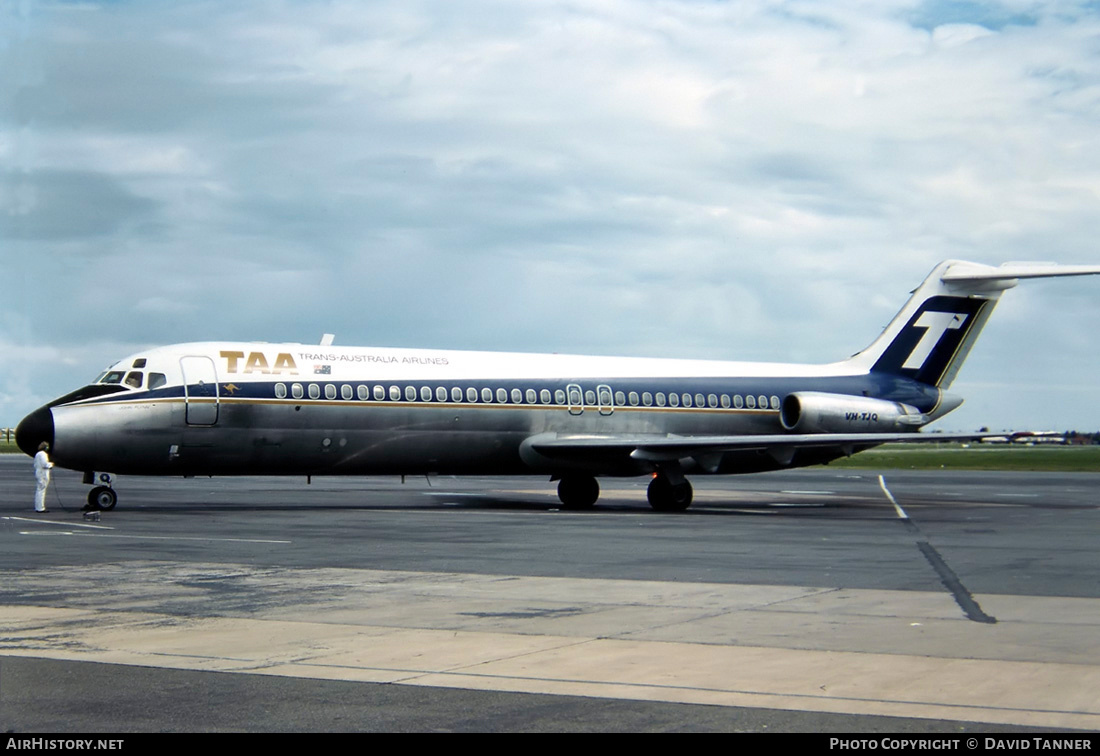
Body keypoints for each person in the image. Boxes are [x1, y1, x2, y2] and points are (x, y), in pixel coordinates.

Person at [34, 442, 53, 513]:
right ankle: (40, 507)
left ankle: (38, 506)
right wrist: (51, 464)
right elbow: (45, 464)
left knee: (39, 490)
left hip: (38, 472)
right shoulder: (43, 454)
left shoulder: (38, 454)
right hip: (43, 473)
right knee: (42, 490)